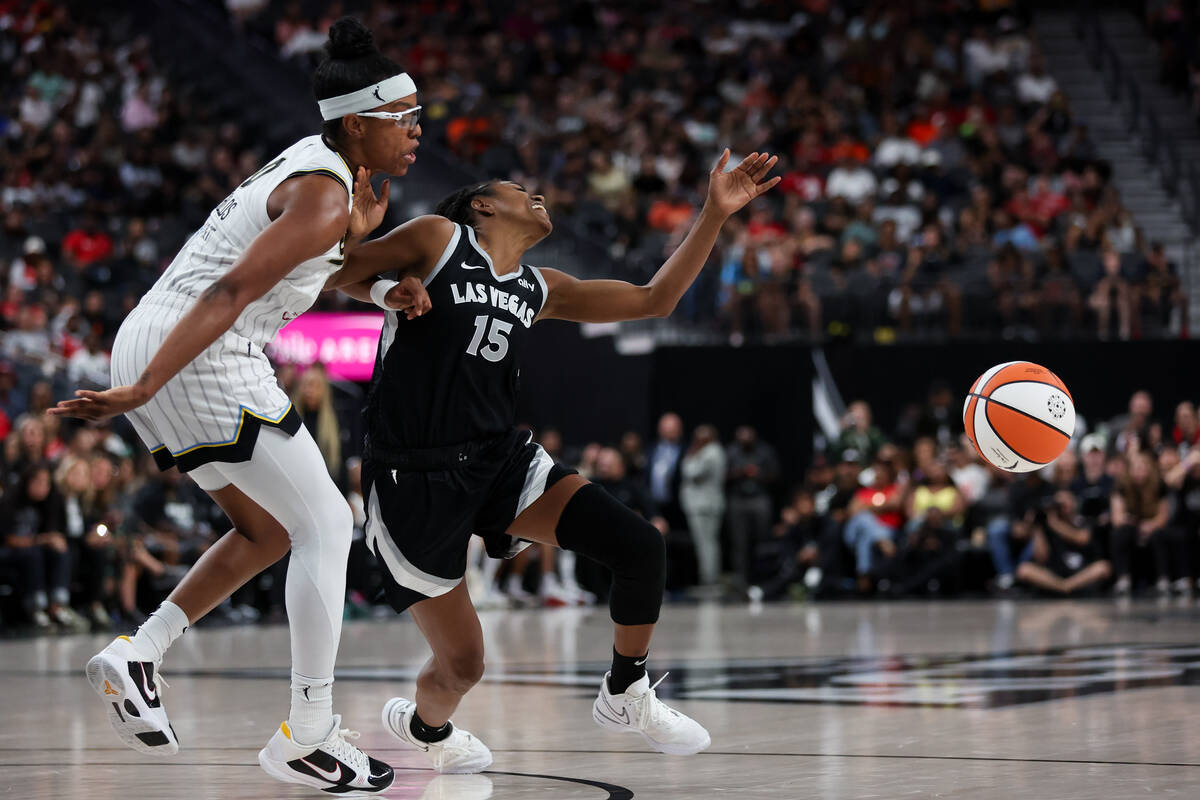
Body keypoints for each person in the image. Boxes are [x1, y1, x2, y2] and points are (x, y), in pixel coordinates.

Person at [46, 18, 430, 793]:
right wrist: (146, 387)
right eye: (406, 120)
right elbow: (233, 291)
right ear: (359, 122)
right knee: (327, 522)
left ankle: (139, 653)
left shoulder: (319, 175)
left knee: (266, 531)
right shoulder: (324, 194)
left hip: (161, 334)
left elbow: (303, 271)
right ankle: (311, 734)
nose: (419, 133)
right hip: (195, 351)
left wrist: (382, 283)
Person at [326, 148, 780, 771]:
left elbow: (655, 299)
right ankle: (426, 730)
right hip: (413, 475)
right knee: (463, 665)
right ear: (483, 205)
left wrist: (713, 213)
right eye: (520, 189)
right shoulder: (438, 239)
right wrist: (381, 285)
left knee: (640, 546)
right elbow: (331, 271)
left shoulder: (539, 286)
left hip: (498, 460)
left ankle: (626, 689)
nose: (538, 196)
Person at [680, 424, 728, 588]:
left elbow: (690, 472)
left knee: (706, 544)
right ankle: (708, 579)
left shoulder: (711, 453)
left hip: (704, 506)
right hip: (704, 505)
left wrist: (690, 455)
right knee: (707, 543)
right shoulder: (711, 451)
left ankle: (709, 580)